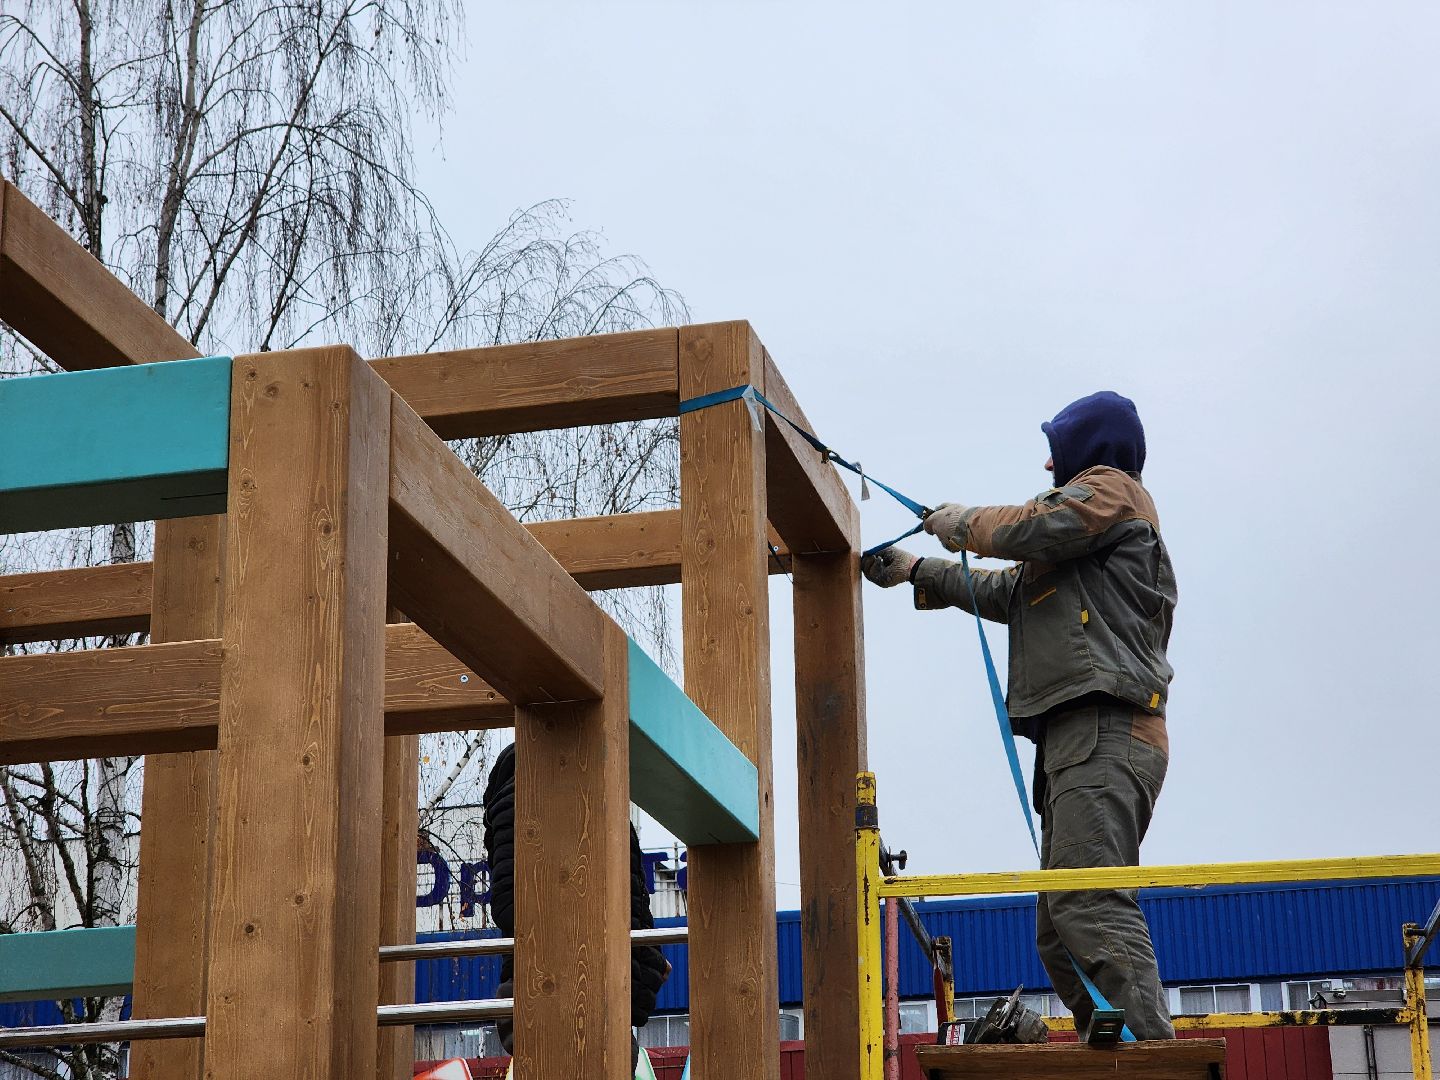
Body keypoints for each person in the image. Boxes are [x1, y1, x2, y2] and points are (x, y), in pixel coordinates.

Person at [860, 390, 1177, 1041]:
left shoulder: (1111, 492)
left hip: (1107, 733)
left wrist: (960, 522)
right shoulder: (1079, 543)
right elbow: (1012, 589)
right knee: (1061, 929)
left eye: (1056, 450)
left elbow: (1034, 526)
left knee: (1089, 907)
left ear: (1090, 448)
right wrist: (920, 569)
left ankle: (1152, 1060)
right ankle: (1112, 1054)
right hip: (1076, 742)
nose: (1047, 468)